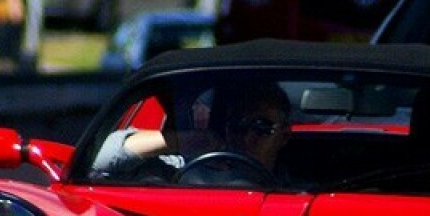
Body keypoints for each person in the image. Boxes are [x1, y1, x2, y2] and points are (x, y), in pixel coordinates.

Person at [90, 81, 291, 182]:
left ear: (284, 136)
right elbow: (98, 158)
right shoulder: (183, 168)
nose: (248, 136)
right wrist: (183, 141)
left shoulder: (298, 185)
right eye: (239, 123)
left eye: (262, 126)